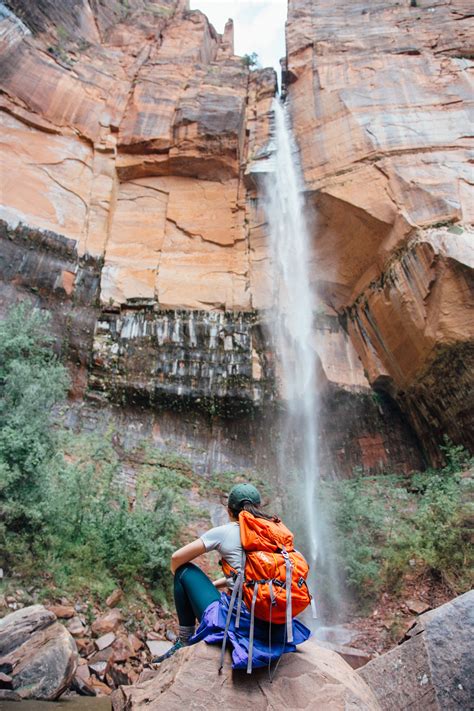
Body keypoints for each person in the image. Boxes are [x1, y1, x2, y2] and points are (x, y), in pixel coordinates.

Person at [153, 483, 311, 670]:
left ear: (229, 511)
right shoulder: (276, 534)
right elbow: (255, 575)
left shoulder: (225, 531)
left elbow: (176, 558)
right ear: (259, 508)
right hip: (273, 623)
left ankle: (184, 639)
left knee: (183, 571)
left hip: (243, 622)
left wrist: (184, 586)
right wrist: (215, 585)